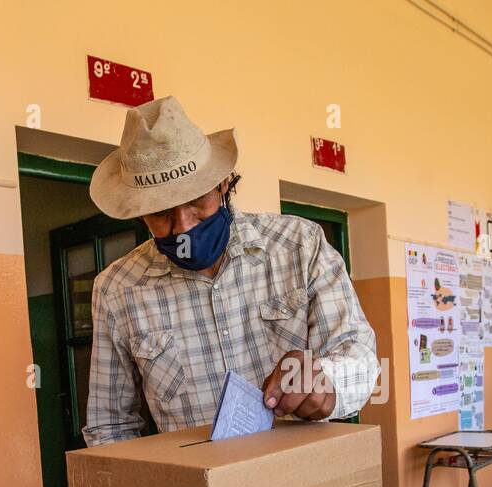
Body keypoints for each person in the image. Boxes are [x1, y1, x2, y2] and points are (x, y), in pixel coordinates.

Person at [82, 97, 379, 445]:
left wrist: (327, 381)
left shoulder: (300, 245)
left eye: (196, 200)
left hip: (303, 484)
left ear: (223, 184)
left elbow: (360, 359)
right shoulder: (117, 289)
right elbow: (109, 427)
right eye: (161, 213)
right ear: (139, 212)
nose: (183, 226)